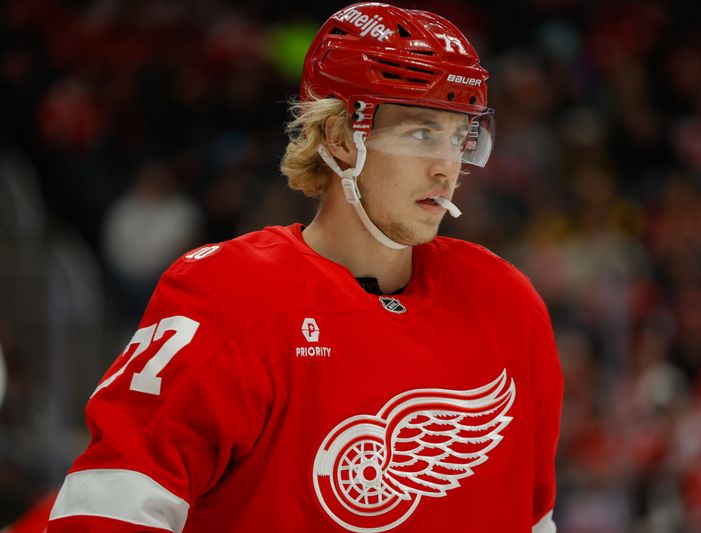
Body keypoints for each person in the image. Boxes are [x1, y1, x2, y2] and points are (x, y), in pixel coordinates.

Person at [47, 3, 563, 532]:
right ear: (340, 138)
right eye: (420, 133)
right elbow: (106, 512)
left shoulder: (507, 305)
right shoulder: (227, 295)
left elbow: (533, 519)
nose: (446, 165)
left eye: (459, 136)